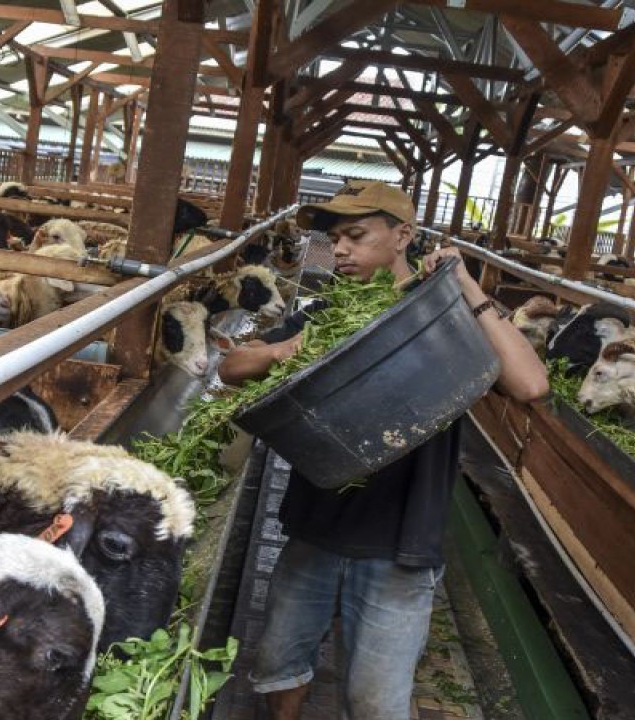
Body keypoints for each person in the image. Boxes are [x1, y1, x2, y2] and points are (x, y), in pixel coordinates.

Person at [219, 181, 548, 720]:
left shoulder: (441, 320)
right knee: (281, 662)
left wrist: (464, 284)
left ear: (404, 236)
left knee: (377, 701)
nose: (340, 249)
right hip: (316, 526)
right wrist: (285, 349)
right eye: (334, 239)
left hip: (401, 546)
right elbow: (231, 368)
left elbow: (531, 384)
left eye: (355, 235)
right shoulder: (328, 314)